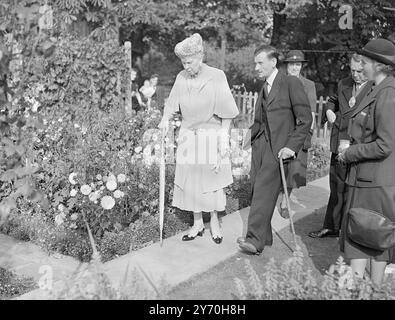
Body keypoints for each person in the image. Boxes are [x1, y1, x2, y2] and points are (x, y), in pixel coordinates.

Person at [158, 33, 239, 244]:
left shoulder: (217, 76)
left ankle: (214, 222)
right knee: (191, 182)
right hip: (188, 136)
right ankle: (197, 223)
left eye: (190, 61)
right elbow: (172, 102)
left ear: (200, 56)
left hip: (210, 136)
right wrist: (165, 119)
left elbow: (228, 112)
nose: (186, 66)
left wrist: (223, 138)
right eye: (183, 62)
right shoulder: (181, 78)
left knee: (211, 181)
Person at [237, 45, 312, 254]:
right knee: (256, 190)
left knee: (262, 191)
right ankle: (264, 236)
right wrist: (246, 139)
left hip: (279, 149)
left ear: (273, 62)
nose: (256, 67)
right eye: (255, 63)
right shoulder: (265, 87)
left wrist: (291, 147)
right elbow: (260, 121)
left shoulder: (290, 83)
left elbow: (305, 120)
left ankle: (254, 241)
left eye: (260, 63)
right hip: (261, 146)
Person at [338, 38, 395, 286]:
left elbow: (385, 144)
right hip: (366, 179)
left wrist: (351, 153)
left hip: (374, 182)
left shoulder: (388, 94)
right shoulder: (376, 89)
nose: (361, 67)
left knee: (372, 235)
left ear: (380, 65)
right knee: (361, 237)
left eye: (367, 62)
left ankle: (373, 289)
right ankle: (362, 287)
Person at [309, 54, 372, 238]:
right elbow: (333, 100)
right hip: (339, 143)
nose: (355, 75)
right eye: (352, 70)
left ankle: (351, 230)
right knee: (336, 187)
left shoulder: (375, 87)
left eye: (359, 71)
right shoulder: (344, 83)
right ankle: (331, 226)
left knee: (355, 191)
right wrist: (329, 110)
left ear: (367, 68)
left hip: (359, 146)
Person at [277, 50, 317, 218]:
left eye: (298, 64)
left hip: (299, 132)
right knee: (276, 168)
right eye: (292, 64)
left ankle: (285, 201)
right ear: (286, 65)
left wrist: (308, 135)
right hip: (280, 131)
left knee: (293, 171)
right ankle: (276, 196)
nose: (295, 67)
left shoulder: (308, 85)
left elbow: (312, 113)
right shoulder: (278, 82)